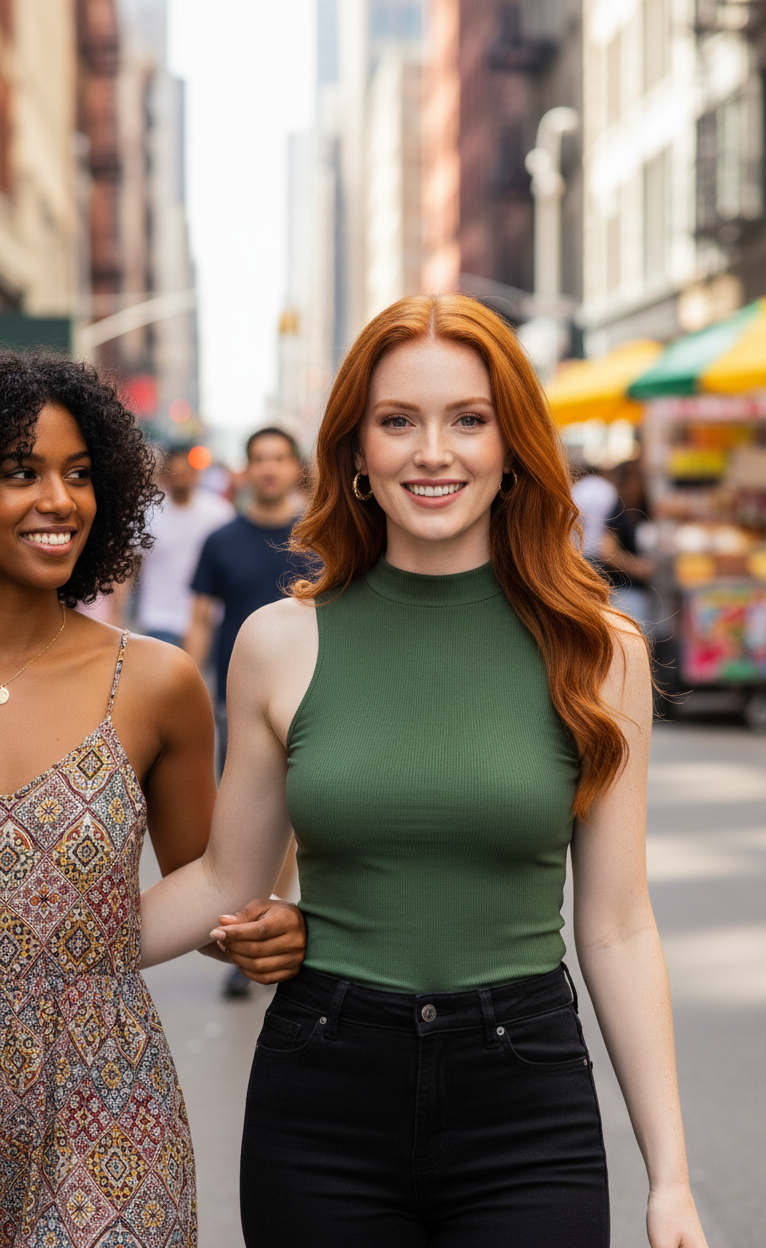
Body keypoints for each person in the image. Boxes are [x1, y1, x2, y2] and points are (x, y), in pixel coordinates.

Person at [139, 295, 709, 1248]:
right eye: (398, 420)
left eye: (469, 420)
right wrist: (46, 935)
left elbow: (617, 925)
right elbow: (225, 883)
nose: (432, 451)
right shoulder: (280, 642)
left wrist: (673, 1180)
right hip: (322, 1093)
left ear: (512, 446)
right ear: (356, 451)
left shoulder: (601, 649)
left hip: (526, 1100)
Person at [0, 354, 306, 1248]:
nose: (58, 500)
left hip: (104, 1108)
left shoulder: (154, 682)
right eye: (20, 471)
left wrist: (267, 925)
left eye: (80, 474)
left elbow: (213, 881)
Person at [185, 426, 308, 998]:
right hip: (238, 702)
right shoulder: (221, 540)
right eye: (258, 458)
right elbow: (203, 618)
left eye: (278, 458)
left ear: (293, 467)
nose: (268, 468)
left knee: (288, 820)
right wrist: (185, 684)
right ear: (248, 467)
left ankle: (260, 924)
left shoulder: (317, 537)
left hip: (310, 697)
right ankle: (255, 923)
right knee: (244, 818)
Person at [137, 444, 234, 646]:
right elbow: (129, 566)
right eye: (175, 472)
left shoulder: (219, 513)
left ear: (195, 473)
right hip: (158, 617)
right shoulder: (148, 512)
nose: (180, 477)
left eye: (185, 472)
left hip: (205, 618)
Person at [600, 458, 657, 631]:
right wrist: (637, 567)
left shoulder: (640, 509)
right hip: (625, 592)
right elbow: (607, 551)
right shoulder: (619, 510)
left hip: (641, 592)